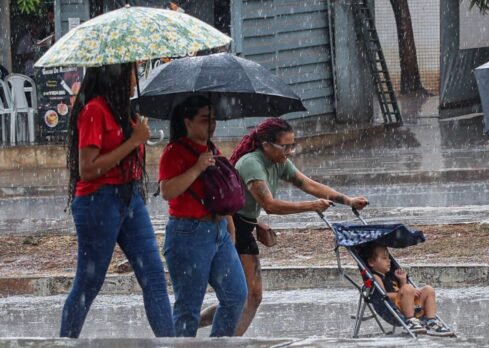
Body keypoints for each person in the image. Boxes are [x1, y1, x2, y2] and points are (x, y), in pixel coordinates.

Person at [199, 118, 369, 335]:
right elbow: (270, 205)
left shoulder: (279, 162)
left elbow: (307, 183)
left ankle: (222, 335)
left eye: (292, 145)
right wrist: (312, 206)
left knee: (250, 297)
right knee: (244, 297)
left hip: (246, 227)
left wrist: (348, 200)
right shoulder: (252, 163)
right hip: (230, 228)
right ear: (266, 144)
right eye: (285, 146)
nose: (289, 151)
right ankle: (216, 334)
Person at [61, 63, 174, 338]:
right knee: (89, 283)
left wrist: (137, 135)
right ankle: (64, 342)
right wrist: (133, 141)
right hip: (97, 202)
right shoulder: (94, 110)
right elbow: (87, 168)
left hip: (129, 197)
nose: (136, 79)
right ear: (118, 75)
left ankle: (172, 344)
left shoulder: (123, 110)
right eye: (133, 72)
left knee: (155, 278)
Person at [158, 95, 247, 337]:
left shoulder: (211, 148)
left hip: (218, 231)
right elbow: (167, 191)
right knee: (188, 310)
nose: (212, 125)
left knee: (237, 296)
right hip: (188, 235)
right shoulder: (174, 151)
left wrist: (229, 224)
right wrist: (197, 167)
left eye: (214, 119)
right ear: (188, 122)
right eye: (205, 119)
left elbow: (219, 195)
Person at [362, 243, 454, 336]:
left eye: (389, 258)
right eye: (384, 258)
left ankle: (431, 320)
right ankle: (410, 320)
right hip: (394, 309)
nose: (389, 261)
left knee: (428, 289)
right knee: (408, 288)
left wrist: (402, 280)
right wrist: (406, 291)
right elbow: (383, 295)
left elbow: (404, 291)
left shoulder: (391, 275)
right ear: (371, 262)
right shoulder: (375, 276)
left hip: (411, 306)